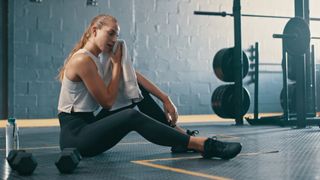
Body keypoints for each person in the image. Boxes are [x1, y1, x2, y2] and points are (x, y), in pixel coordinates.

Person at [57, 14, 242, 159]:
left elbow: (133, 78)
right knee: (131, 115)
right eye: (110, 33)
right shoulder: (83, 60)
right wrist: (115, 66)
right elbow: (107, 102)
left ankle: (180, 137)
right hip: (76, 138)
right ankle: (202, 145)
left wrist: (165, 98)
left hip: (91, 125)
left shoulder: (99, 58)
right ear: (94, 30)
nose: (114, 39)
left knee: (133, 92)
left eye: (117, 35)